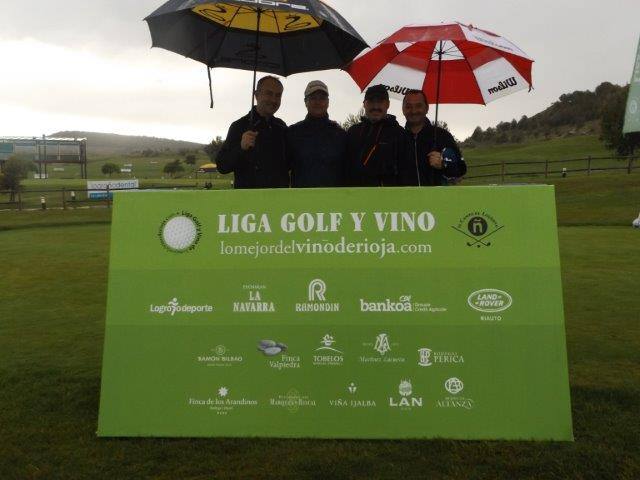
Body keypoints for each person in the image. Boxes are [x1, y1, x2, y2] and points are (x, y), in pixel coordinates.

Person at [216, 76, 289, 189]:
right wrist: (241, 147)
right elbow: (222, 166)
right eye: (269, 94)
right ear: (256, 95)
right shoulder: (239, 126)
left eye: (278, 95)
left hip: (278, 201)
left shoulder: (282, 127)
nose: (274, 100)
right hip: (248, 203)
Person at [344, 85, 409, 187]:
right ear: (364, 104)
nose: (375, 107)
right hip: (355, 197)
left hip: (387, 199)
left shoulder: (399, 134)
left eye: (380, 102)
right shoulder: (353, 132)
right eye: (371, 102)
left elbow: (405, 173)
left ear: (388, 104)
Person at [400, 89, 467, 186]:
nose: (413, 111)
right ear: (403, 109)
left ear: (427, 108)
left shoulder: (442, 135)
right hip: (404, 199)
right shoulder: (398, 137)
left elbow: (461, 169)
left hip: (437, 199)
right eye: (408, 106)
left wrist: (444, 164)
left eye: (418, 106)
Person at [287, 80, 347, 188]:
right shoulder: (292, 133)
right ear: (305, 102)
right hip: (302, 201)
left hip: (334, 201)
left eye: (322, 98)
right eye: (313, 98)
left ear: (328, 102)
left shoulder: (340, 134)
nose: (317, 102)